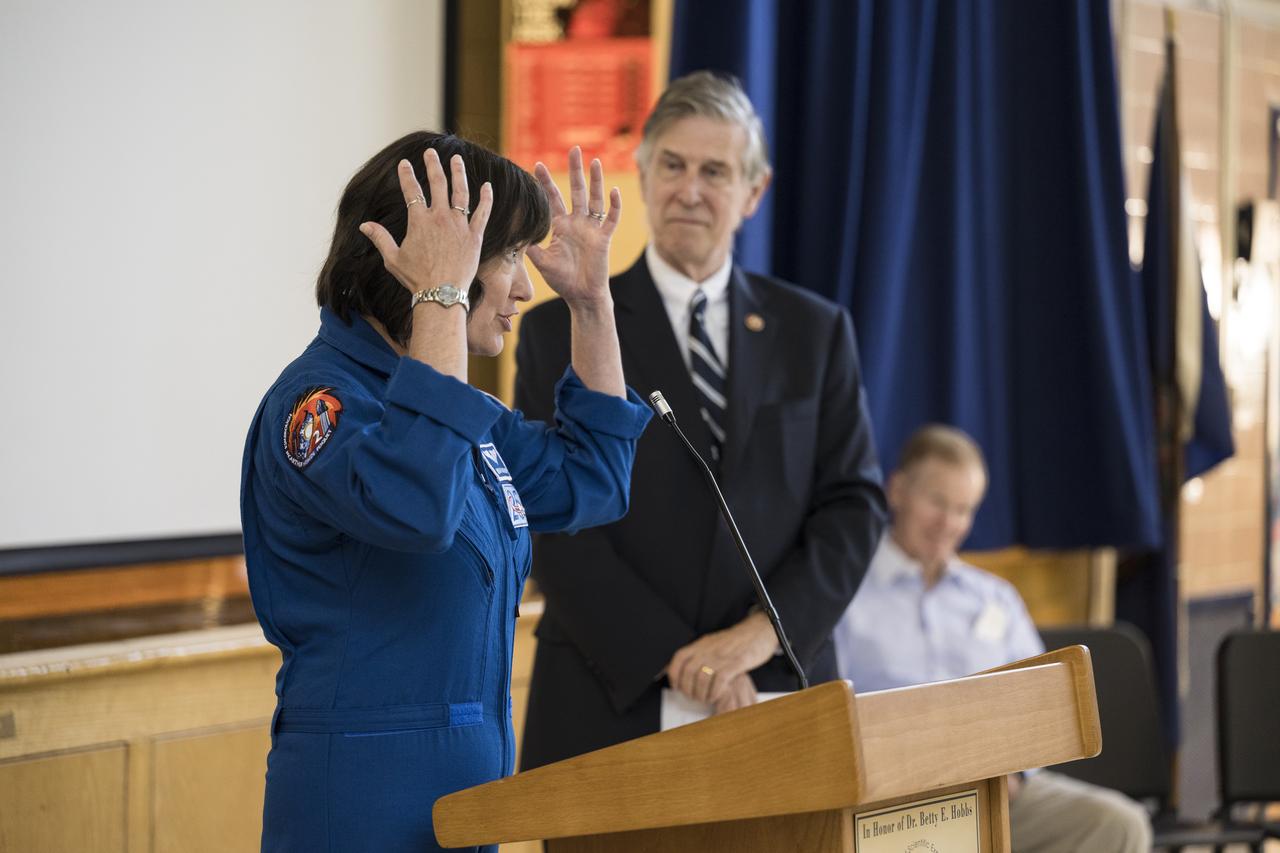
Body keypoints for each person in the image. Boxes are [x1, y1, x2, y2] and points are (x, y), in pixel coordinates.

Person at [240, 132, 652, 853]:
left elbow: (593, 479)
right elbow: (418, 504)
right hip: (359, 803)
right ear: (424, 261)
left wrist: (591, 305)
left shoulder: (450, 410)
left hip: (465, 803)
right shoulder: (316, 405)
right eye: (504, 259)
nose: (525, 287)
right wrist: (439, 298)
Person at [515, 71, 887, 770]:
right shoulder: (558, 330)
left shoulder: (815, 332)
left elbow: (855, 506)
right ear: (645, 174)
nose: (690, 190)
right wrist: (682, 660)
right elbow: (548, 521)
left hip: (775, 692)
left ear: (754, 192)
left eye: (715, 171)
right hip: (610, 702)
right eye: (673, 165)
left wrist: (759, 635)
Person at [833, 425, 1153, 853]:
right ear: (897, 491)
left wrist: (1018, 773)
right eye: (937, 503)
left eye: (963, 510)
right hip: (888, 802)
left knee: (1119, 826)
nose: (948, 524)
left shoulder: (996, 599)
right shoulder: (845, 597)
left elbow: (1045, 708)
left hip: (996, 793)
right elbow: (828, 718)